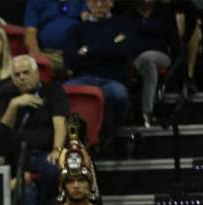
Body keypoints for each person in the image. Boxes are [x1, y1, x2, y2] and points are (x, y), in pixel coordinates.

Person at [0, 55, 67, 205]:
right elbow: (2, 132)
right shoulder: (4, 93)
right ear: (12, 78)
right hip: (15, 156)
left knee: (53, 170)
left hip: (44, 153)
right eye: (17, 74)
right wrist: (14, 105)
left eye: (26, 73)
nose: (22, 77)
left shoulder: (53, 90)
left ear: (36, 73)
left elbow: (59, 124)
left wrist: (56, 150)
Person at [63, 0, 132, 150]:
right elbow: (70, 61)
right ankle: (73, 139)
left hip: (112, 79)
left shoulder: (123, 24)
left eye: (104, 1)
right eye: (95, 1)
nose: (100, 5)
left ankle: (109, 137)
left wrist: (89, 51)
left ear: (112, 3)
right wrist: (110, 47)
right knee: (61, 93)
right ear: (88, 4)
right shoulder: (76, 29)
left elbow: (124, 53)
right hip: (83, 78)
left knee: (119, 95)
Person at [127, 0, 180, 126]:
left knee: (146, 57)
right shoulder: (129, 16)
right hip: (137, 59)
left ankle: (130, 75)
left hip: (161, 56)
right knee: (148, 66)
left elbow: (174, 41)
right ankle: (147, 113)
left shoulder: (164, 14)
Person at [24, 0, 89, 72]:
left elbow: (88, 22)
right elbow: (30, 32)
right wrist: (36, 55)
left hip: (77, 51)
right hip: (51, 55)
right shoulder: (35, 2)